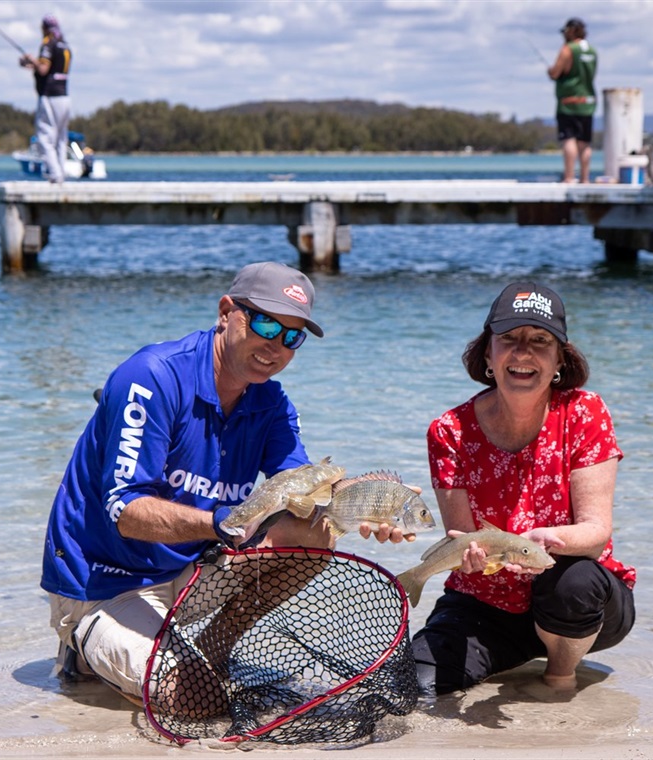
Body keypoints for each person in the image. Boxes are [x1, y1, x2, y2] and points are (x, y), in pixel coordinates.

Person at [41, 262, 414, 707]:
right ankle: (84, 649)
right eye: (265, 322)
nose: (274, 345)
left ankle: (212, 655)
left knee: (315, 533)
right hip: (106, 582)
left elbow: (306, 495)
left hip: (193, 570)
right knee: (189, 700)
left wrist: (368, 509)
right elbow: (127, 513)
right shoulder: (152, 376)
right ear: (225, 312)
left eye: (291, 336)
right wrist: (224, 523)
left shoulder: (270, 401)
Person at [412, 281, 636, 695]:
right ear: (487, 355)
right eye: (509, 339)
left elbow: (595, 532)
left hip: (581, 603)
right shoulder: (448, 431)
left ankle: (559, 676)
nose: (523, 352)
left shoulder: (585, 412)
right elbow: (460, 537)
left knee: (574, 583)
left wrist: (546, 541)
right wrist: (470, 558)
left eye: (540, 341)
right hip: (485, 603)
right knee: (416, 685)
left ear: (559, 361)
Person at [20, 14, 71, 184]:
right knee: (61, 138)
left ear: (44, 28)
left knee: (44, 137)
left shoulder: (48, 43)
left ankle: (55, 174)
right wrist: (30, 64)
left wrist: (31, 60)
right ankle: (61, 172)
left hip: (50, 96)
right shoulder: (64, 46)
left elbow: (43, 69)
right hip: (64, 96)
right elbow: (49, 70)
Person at [547, 18, 598, 183]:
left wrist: (551, 71)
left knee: (569, 140)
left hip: (569, 103)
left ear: (570, 31)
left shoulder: (568, 49)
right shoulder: (592, 51)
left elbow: (555, 72)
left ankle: (569, 177)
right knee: (585, 142)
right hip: (588, 102)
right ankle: (585, 178)